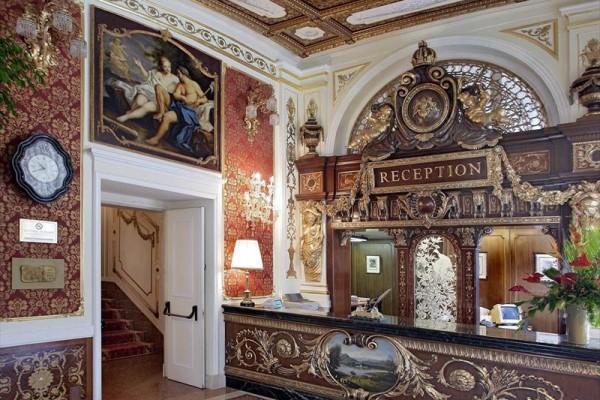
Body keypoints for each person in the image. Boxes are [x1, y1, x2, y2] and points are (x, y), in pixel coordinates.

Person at [145, 66, 208, 153]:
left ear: (184, 74)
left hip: (187, 112)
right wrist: (183, 98)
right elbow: (175, 95)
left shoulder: (193, 84)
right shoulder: (180, 84)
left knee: (167, 117)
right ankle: (161, 111)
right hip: (177, 105)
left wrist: (199, 100)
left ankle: (156, 139)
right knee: (158, 87)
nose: (177, 76)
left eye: (179, 74)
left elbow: (205, 99)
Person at [108, 56, 179, 123]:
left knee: (146, 107)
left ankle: (127, 116)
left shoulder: (174, 79)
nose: (168, 69)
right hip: (148, 91)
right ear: (162, 67)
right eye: (165, 67)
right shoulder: (157, 73)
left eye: (169, 66)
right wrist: (140, 65)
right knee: (139, 102)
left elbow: (174, 93)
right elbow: (148, 77)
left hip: (159, 98)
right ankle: (131, 112)